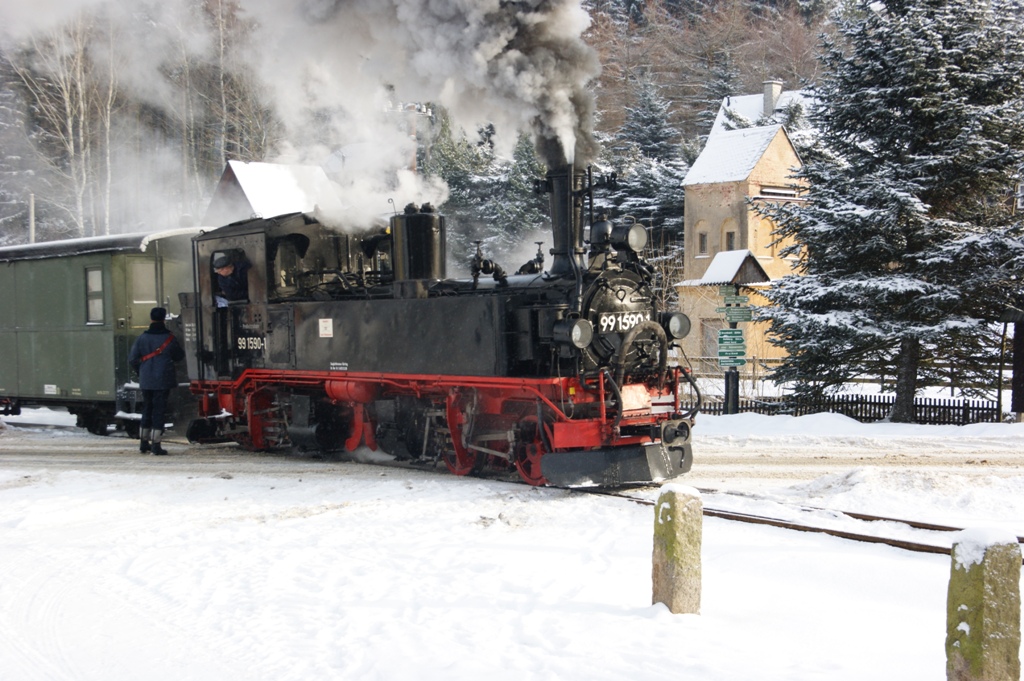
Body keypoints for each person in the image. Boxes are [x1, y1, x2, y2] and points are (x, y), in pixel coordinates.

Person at [128, 307, 185, 455]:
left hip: (146, 380)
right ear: (164, 319)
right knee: (159, 410)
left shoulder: (142, 338)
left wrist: (142, 372)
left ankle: (143, 442)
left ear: (151, 318)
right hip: (163, 380)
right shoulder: (170, 338)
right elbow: (179, 356)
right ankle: (156, 444)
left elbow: (133, 359)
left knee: (147, 408)